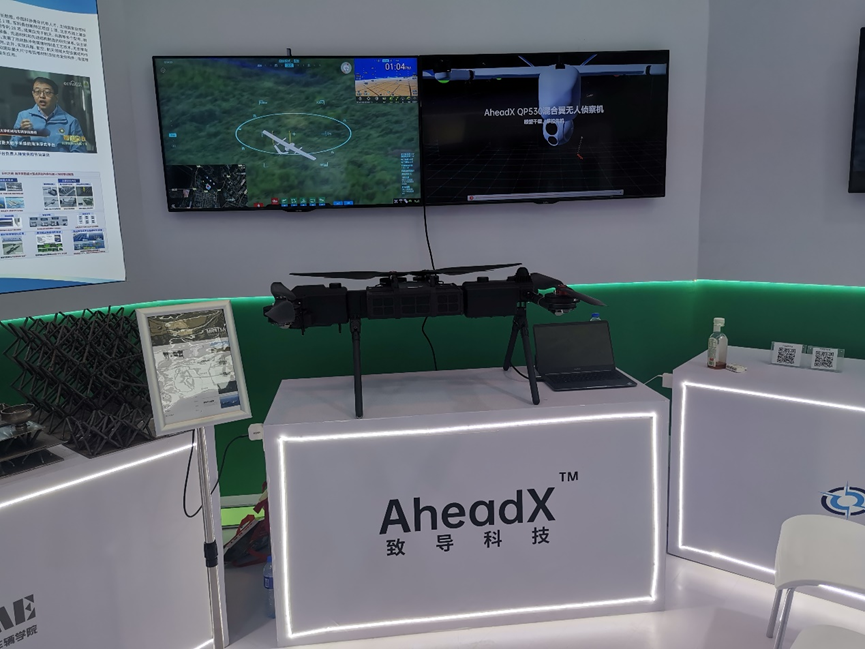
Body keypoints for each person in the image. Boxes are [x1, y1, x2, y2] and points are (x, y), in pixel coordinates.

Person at [11, 77, 87, 153]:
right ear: (33, 94)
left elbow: (79, 152)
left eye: (47, 92)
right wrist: (22, 134)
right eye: (37, 92)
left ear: (56, 97)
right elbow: (14, 147)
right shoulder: (24, 116)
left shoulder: (71, 122)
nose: (42, 96)